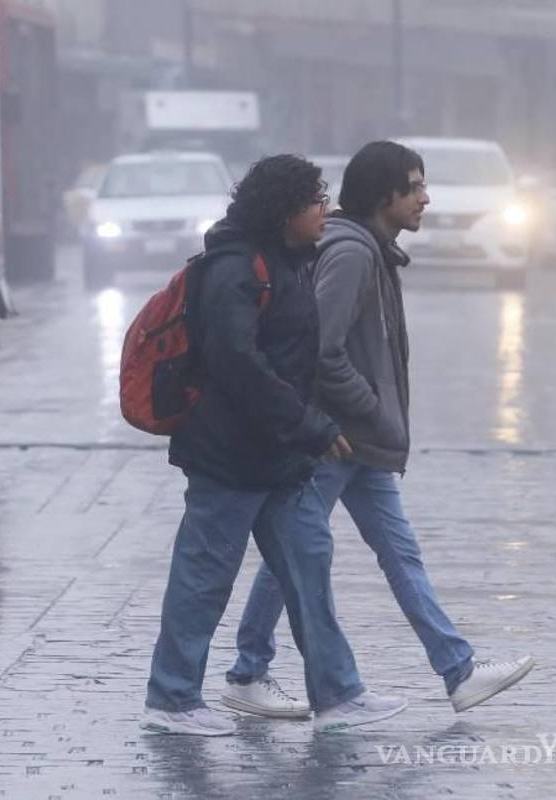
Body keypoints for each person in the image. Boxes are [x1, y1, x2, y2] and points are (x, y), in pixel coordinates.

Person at [221, 142, 535, 721]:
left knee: (394, 552)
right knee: (294, 553)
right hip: (335, 439)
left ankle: (459, 671)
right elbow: (322, 347)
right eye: (414, 187)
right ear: (382, 195)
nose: (425, 198)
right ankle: (248, 671)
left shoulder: (372, 249)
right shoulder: (352, 253)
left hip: (358, 441)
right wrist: (369, 407)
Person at [141, 155, 408, 736]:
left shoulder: (293, 262)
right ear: (284, 211)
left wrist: (304, 431)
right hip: (229, 456)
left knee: (309, 566)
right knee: (203, 577)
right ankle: (172, 698)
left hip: (282, 459)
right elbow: (240, 366)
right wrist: (311, 425)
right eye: (315, 201)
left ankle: (337, 694)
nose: (325, 211)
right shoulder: (234, 269)